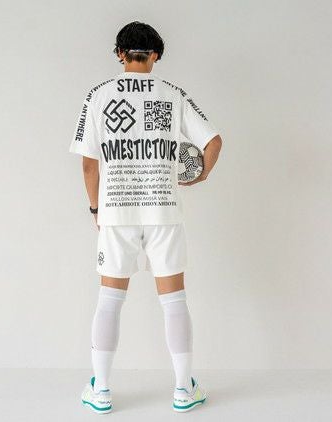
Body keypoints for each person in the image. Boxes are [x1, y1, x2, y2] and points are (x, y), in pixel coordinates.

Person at [69, 21, 223, 414]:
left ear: (120, 54)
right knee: (174, 300)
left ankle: (101, 390)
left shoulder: (98, 95)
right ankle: (183, 389)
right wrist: (200, 173)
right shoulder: (172, 94)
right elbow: (213, 141)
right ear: (155, 55)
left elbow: (89, 164)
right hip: (163, 210)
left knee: (109, 300)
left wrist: (95, 208)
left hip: (117, 210)